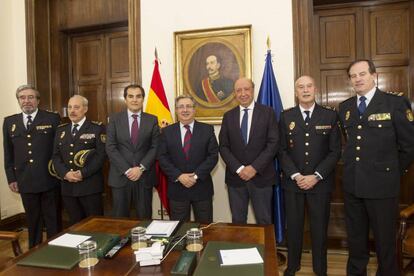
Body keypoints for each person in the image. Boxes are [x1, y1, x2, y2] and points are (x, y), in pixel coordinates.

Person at [339, 59, 414, 275]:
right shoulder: (345, 108)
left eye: (362, 74)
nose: (358, 79)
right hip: (353, 185)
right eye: (353, 76)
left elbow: (409, 146)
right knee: (355, 240)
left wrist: (390, 172)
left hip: (382, 188)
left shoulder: (394, 104)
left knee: (385, 242)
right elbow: (350, 145)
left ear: (374, 75)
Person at [279, 76, 341, 276]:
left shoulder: (329, 116)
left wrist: (316, 176)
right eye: (300, 87)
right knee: (294, 228)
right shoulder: (286, 117)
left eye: (308, 86)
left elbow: (335, 151)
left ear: (315, 89)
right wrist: (296, 175)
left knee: (319, 228)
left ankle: (320, 268)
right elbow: (281, 151)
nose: (305, 90)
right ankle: (293, 266)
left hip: (320, 184)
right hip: (293, 183)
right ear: (296, 92)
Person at [3, 85, 61, 248]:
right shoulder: (9, 122)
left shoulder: (52, 118)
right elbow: (8, 153)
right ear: (18, 100)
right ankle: (34, 250)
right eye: (22, 97)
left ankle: (55, 250)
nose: (26, 101)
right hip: (25, 179)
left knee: (52, 219)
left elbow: (59, 149)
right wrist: (11, 178)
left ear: (38, 100)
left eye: (30, 97)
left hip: (49, 178)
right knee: (32, 218)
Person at [219, 77, 279, 224]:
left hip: (262, 177)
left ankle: (265, 248)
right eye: (238, 90)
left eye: (246, 89)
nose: (243, 93)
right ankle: (240, 247)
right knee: (238, 221)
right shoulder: (228, 116)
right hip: (236, 179)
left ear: (253, 90)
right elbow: (223, 146)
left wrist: (254, 168)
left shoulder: (268, 113)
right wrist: (239, 169)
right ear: (235, 94)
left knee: (264, 220)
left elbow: (273, 143)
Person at [158, 95, 218, 223]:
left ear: (194, 109)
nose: (185, 110)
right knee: (179, 230)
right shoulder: (167, 132)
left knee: (204, 228)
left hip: (201, 188)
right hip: (177, 189)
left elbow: (213, 156)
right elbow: (162, 157)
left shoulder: (207, 130)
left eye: (188, 106)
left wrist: (195, 176)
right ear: (176, 110)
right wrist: (179, 176)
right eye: (181, 107)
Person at [106, 84, 159, 219]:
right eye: (131, 96)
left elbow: (155, 147)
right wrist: (128, 170)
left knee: (144, 218)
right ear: (125, 99)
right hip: (120, 176)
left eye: (138, 96)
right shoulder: (114, 119)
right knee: (120, 219)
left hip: (144, 177)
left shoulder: (152, 120)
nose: (134, 100)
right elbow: (111, 147)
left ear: (143, 99)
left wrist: (140, 168)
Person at [52, 95, 106, 225]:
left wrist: (83, 173)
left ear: (85, 109)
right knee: (75, 224)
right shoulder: (61, 130)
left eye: (76, 107)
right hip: (68, 186)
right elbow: (55, 156)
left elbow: (101, 156)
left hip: (90, 186)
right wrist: (65, 173)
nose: (72, 111)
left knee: (95, 225)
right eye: (70, 107)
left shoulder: (97, 128)